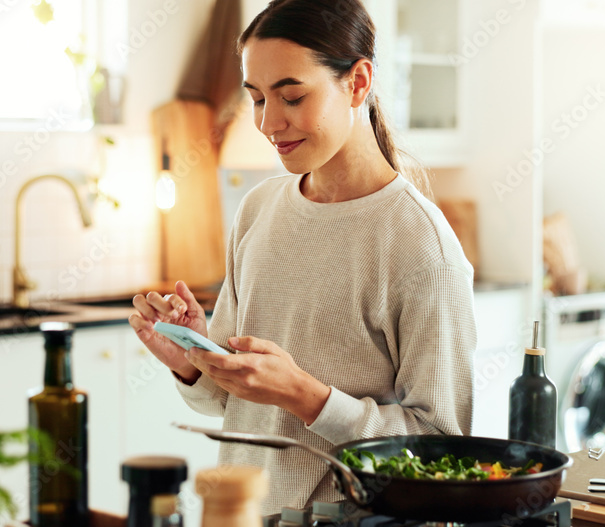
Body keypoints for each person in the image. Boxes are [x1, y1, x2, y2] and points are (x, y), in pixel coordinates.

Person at [129, 0, 477, 514]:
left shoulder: (420, 245)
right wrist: (194, 362)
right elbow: (228, 403)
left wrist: (308, 396)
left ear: (358, 83)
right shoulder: (259, 209)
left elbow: (441, 447)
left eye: (291, 96)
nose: (269, 123)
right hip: (240, 512)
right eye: (257, 98)